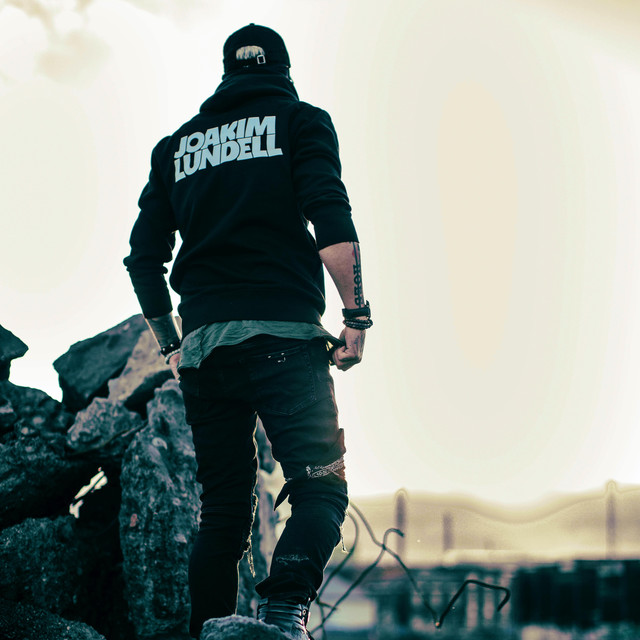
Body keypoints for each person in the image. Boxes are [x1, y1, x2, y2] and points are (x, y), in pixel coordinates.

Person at [124, 23, 372, 640]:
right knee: (320, 490)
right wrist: (356, 318)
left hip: (205, 352)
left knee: (224, 513)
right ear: (282, 73)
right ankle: (284, 615)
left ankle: (208, 631)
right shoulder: (301, 123)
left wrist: (172, 346)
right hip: (285, 338)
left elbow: (143, 258)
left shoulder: (176, 148)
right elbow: (330, 220)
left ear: (226, 76)